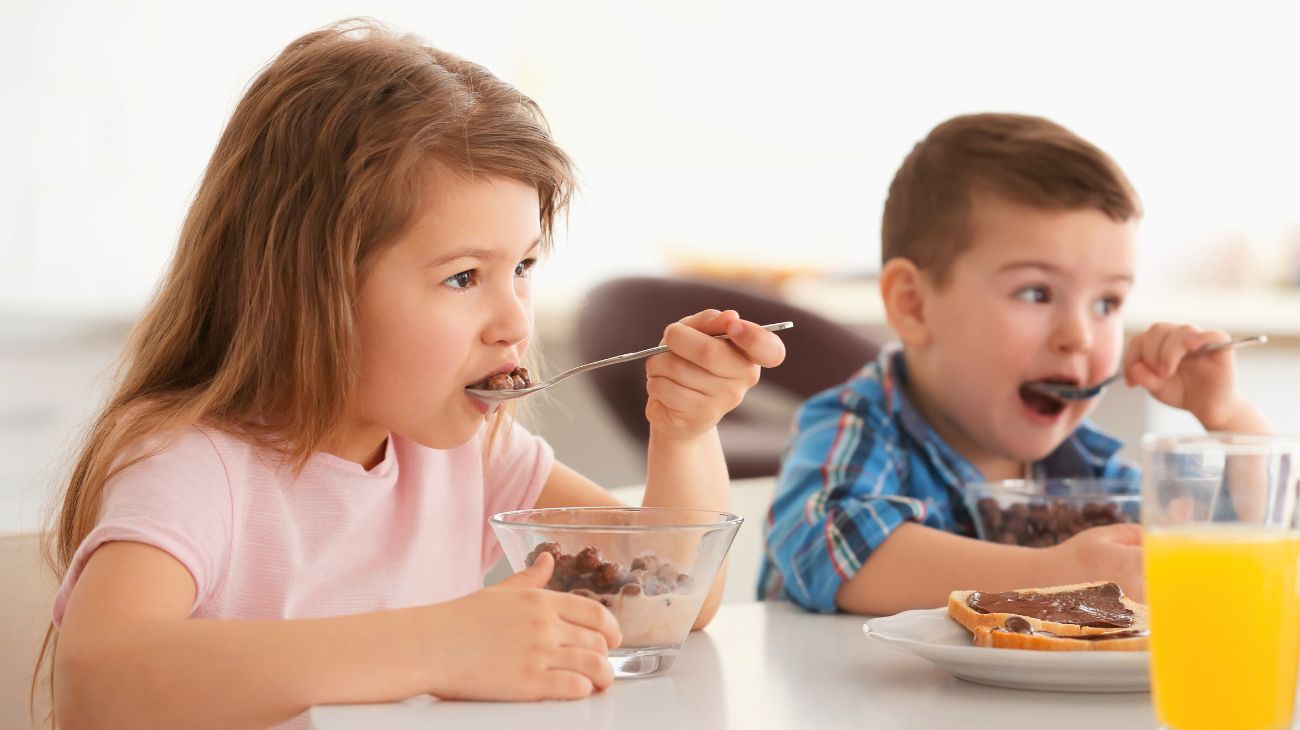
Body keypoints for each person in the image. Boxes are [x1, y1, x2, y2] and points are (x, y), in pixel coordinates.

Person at [36, 20, 785, 729]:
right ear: (311, 290)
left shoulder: (469, 455)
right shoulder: (198, 466)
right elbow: (98, 681)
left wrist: (685, 435)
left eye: (522, 266)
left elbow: (667, 605)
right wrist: (437, 645)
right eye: (463, 277)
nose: (515, 321)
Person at [759, 112, 1269, 616]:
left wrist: (1227, 416)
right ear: (914, 305)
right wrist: (1058, 576)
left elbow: (1249, 536)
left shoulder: (1083, 470)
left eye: (1107, 303)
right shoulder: (857, 425)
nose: (1079, 336)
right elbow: (833, 547)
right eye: (1035, 292)